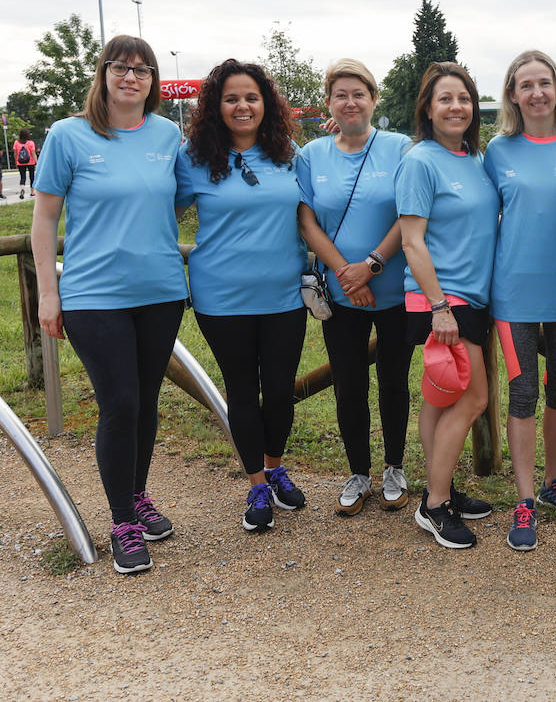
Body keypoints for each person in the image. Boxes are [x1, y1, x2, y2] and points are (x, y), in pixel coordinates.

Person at [30, 36, 187, 575]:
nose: (132, 77)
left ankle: (137, 494)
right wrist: (48, 294)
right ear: (103, 74)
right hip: (94, 295)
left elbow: (196, 191)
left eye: (143, 70)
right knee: (119, 402)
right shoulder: (68, 136)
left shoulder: (169, 136)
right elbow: (45, 219)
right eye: (122, 67)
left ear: (153, 82)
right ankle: (122, 520)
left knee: (144, 401)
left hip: (161, 291)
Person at [176, 59, 308, 533]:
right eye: (231, 98)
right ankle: (255, 484)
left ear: (266, 102)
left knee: (279, 392)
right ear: (216, 106)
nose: (242, 106)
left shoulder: (288, 152)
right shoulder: (194, 158)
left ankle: (275, 467)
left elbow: (314, 208)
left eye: (251, 97)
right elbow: (158, 212)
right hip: (221, 297)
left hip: (283, 296)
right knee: (242, 393)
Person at [484, 50, 556, 551]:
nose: (536, 93)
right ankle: (525, 499)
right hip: (514, 298)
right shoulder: (498, 150)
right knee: (523, 392)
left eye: (544, 83)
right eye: (525, 85)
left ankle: (554, 482)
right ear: (512, 94)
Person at [297, 58, 414, 517]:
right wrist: (347, 272)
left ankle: (395, 469)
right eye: (340, 94)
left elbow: (410, 213)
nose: (350, 102)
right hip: (342, 292)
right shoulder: (312, 155)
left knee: (393, 381)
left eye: (358, 93)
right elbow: (306, 220)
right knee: (348, 383)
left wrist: (372, 265)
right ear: (329, 102)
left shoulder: (400, 148)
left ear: (373, 99)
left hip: (395, 288)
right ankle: (359, 471)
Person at [397, 62, 500, 549]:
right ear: (428, 108)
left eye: (464, 98)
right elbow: (412, 240)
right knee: (473, 399)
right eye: (445, 98)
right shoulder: (421, 161)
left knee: (440, 400)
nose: (456, 106)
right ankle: (435, 506)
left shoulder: (473, 158)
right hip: (442, 298)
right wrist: (440, 307)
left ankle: (443, 489)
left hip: (469, 297)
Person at [14, 129, 37, 198]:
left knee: (22, 177)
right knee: (32, 177)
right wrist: (36, 162)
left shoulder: (16, 143)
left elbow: (15, 154)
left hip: (20, 162)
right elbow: (33, 153)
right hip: (30, 162)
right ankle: (32, 192)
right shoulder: (30, 143)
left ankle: (22, 189)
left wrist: (16, 161)